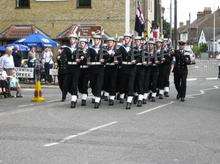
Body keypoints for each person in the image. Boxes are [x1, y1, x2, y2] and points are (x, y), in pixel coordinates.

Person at [117, 33, 136, 109]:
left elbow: (139, 56)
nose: (126, 40)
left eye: (127, 38)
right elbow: (116, 55)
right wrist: (119, 61)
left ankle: (129, 101)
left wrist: (135, 61)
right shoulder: (121, 48)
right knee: (123, 84)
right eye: (125, 38)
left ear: (130, 40)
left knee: (130, 85)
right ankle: (124, 95)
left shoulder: (134, 48)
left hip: (132, 68)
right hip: (124, 68)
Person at [62, 34, 80, 108]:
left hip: (76, 68)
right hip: (69, 67)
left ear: (76, 40)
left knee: (74, 84)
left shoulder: (79, 49)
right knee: (66, 84)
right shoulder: (66, 49)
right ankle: (74, 94)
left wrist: (80, 60)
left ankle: (73, 100)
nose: (71, 40)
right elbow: (63, 57)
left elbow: (84, 58)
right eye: (70, 39)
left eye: (73, 39)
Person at [87, 35, 105, 109]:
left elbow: (107, 57)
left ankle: (97, 99)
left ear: (100, 41)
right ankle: (96, 95)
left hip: (100, 69)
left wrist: (104, 60)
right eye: (95, 40)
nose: (96, 41)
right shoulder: (90, 49)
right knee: (93, 84)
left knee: (98, 84)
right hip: (92, 68)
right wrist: (87, 60)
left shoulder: (103, 49)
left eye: (98, 40)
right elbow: (87, 56)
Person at [102, 37, 118, 106]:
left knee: (112, 83)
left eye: (111, 42)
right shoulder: (104, 50)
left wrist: (117, 61)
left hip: (114, 68)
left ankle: (112, 98)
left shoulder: (117, 51)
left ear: (114, 43)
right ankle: (106, 94)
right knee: (106, 82)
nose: (109, 43)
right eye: (108, 42)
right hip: (107, 68)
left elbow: (120, 59)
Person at [78, 38, 90, 106]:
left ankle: (84, 98)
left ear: (85, 44)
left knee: (84, 84)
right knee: (79, 84)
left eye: (82, 43)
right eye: (80, 43)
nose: (81, 45)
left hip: (87, 69)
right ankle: (83, 93)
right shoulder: (79, 51)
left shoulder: (89, 51)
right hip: (80, 69)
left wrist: (85, 57)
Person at [133, 36, 145, 107]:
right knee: (134, 83)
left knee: (140, 83)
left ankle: (140, 99)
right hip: (134, 68)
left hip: (141, 68)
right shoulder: (133, 49)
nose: (137, 42)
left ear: (140, 42)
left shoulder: (144, 49)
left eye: (138, 41)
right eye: (136, 41)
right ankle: (135, 96)